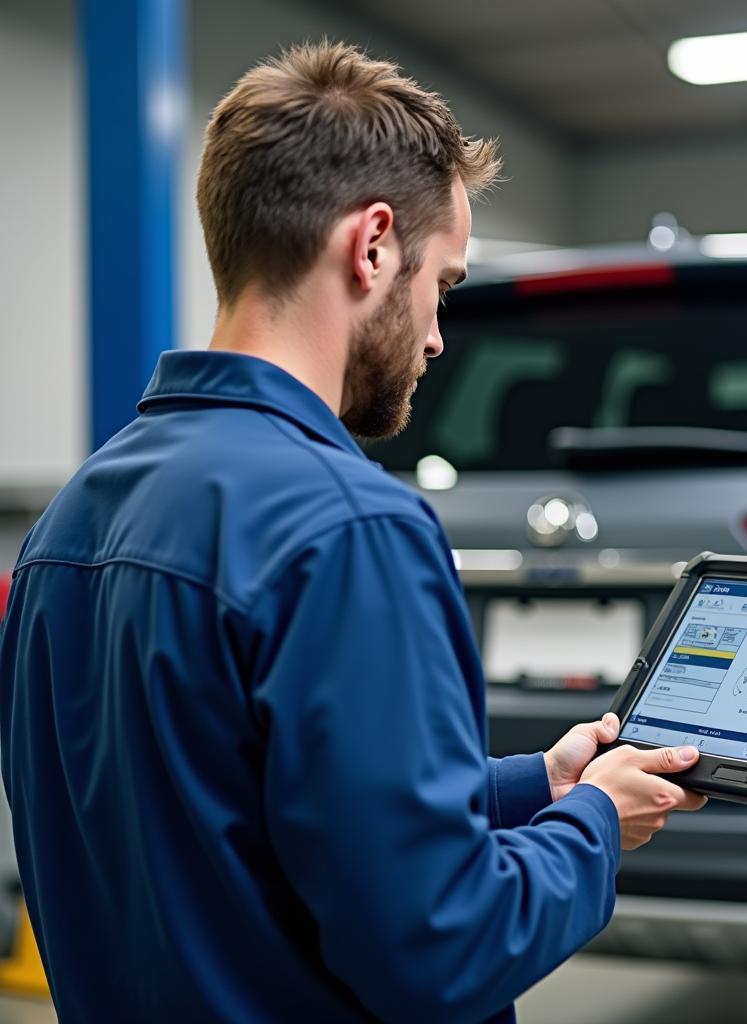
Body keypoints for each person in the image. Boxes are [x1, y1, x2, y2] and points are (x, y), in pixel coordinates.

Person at [0, 41, 706, 1023]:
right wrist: (595, 822)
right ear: (373, 245)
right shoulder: (348, 526)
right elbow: (442, 945)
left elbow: (242, 823)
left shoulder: (72, 519)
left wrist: (540, 783)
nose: (435, 336)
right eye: (444, 285)